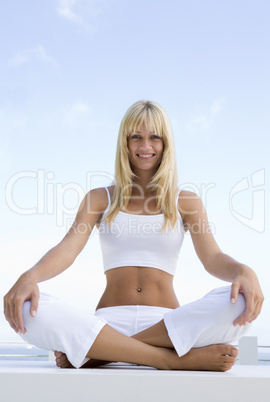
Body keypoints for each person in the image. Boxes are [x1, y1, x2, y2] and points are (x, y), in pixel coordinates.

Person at [4, 100, 264, 371]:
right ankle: (166, 359)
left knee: (242, 300)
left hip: (167, 325)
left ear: (166, 144)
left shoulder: (186, 202)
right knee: (26, 309)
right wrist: (30, 276)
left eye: (154, 138)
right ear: (124, 144)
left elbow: (212, 258)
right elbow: (68, 249)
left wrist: (243, 271)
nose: (145, 147)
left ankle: (104, 352)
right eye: (136, 137)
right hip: (108, 323)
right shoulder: (99, 199)